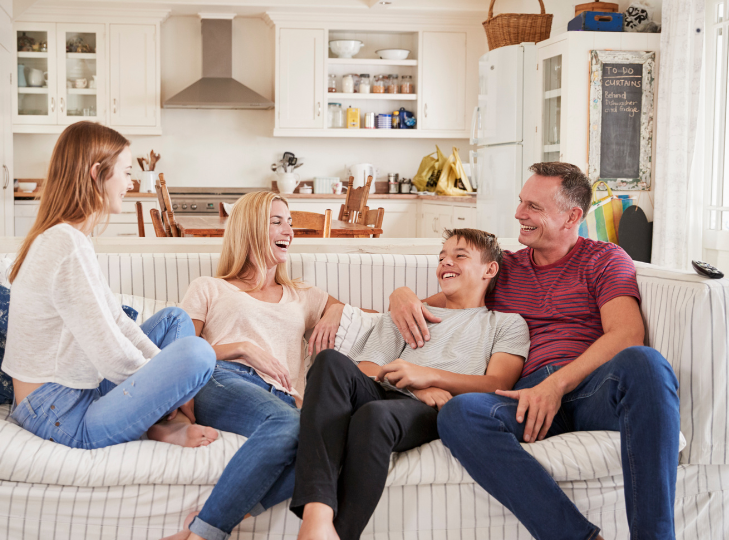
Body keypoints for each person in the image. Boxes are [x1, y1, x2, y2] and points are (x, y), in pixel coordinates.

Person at [388, 162, 680, 540]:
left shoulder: (605, 260)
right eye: (521, 202)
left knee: (647, 363)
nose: (518, 214)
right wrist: (401, 295)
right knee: (460, 415)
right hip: (526, 398)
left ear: (571, 216)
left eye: (534, 207)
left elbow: (626, 334)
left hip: (592, 389)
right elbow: (430, 309)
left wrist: (555, 386)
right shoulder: (503, 269)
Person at [291, 228, 530, 540]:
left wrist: (429, 377)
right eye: (442, 257)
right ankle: (317, 517)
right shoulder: (410, 312)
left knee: (374, 417)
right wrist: (415, 386)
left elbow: (498, 383)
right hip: (394, 390)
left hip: (434, 409)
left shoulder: (506, 323)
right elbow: (366, 367)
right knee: (329, 361)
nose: (447, 262)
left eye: (460, 255)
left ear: (490, 269)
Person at [3, 121, 218, 450]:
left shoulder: (70, 238)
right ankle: (164, 423)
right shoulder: (65, 244)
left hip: (70, 394)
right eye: (127, 172)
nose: (130, 184)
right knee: (198, 354)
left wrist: (162, 383)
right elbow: (110, 355)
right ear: (96, 174)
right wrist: (163, 385)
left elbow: (116, 320)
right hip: (58, 414)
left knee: (175, 319)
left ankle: (160, 422)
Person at [172, 191, 346, 540]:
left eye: (291, 223)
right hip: (222, 379)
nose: (290, 231)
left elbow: (367, 319)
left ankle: (218, 517)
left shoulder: (303, 295)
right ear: (250, 228)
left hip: (283, 397)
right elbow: (180, 355)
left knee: (335, 445)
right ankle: (204, 535)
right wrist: (241, 349)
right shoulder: (210, 288)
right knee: (287, 422)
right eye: (277, 221)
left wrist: (339, 309)